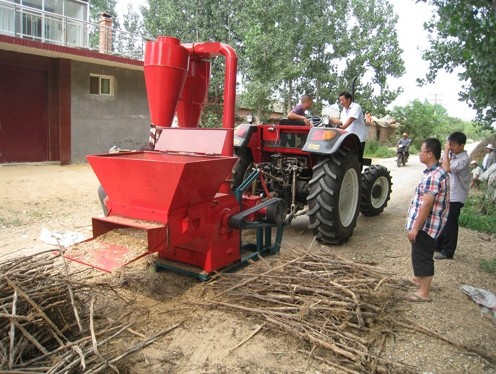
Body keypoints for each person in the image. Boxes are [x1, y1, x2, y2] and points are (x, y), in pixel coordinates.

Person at [403, 138, 450, 302]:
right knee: (418, 253)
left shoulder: (433, 176)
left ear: (430, 154)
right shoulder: (436, 171)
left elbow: (427, 204)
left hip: (426, 226)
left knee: (423, 256)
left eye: (421, 151)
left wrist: (415, 227)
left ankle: (424, 293)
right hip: (428, 224)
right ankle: (418, 279)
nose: (419, 154)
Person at [434, 132, 471, 260]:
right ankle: (438, 245)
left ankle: (448, 251)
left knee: (450, 224)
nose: (450, 147)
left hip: (456, 196)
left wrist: (445, 150)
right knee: (443, 221)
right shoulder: (454, 156)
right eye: (449, 144)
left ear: (461, 145)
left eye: (453, 145)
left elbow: (446, 168)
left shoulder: (463, 159)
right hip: (449, 194)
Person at [329, 91, 367, 163]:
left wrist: (342, 128)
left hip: (358, 138)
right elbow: (341, 121)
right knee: (348, 158)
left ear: (349, 99)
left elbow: (351, 119)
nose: (341, 102)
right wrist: (329, 119)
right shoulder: (343, 110)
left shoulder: (356, 107)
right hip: (348, 137)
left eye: (342, 100)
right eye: (340, 100)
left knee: (357, 159)